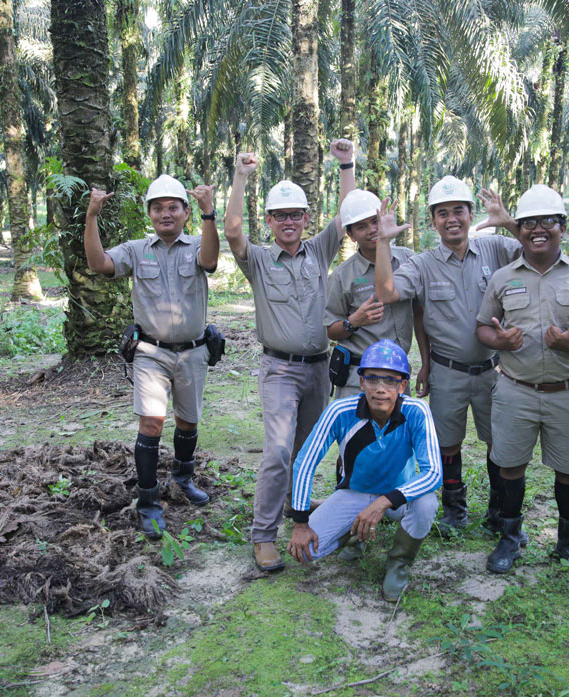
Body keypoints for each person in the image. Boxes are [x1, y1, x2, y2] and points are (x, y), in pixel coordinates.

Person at [223, 139, 356, 572]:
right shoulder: (260, 260)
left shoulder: (319, 250)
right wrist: (241, 176)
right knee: (278, 451)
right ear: (270, 220)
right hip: (279, 369)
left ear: (305, 218)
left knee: (305, 451)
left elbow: (346, 214)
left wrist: (346, 165)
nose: (288, 222)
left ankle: (295, 506)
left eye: (295, 214)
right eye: (280, 215)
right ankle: (263, 535)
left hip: (320, 369)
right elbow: (232, 233)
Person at [373, 177, 522, 538]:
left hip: (493, 370)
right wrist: (382, 241)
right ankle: (455, 507)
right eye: (443, 213)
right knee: (446, 443)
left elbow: (540, 253)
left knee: (498, 444)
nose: (452, 219)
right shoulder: (423, 265)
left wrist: (510, 223)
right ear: (432, 221)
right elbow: (387, 291)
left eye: (459, 211)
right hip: (447, 372)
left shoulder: (497, 249)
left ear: (471, 215)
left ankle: (499, 510)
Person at [475, 185, 569, 574]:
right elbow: (482, 328)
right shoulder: (502, 277)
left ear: (563, 226)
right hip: (515, 390)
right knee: (511, 466)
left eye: (548, 220)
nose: (538, 229)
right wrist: (500, 339)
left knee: (568, 470)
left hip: (566, 392)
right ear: (520, 229)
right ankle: (510, 537)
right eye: (528, 222)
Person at [84, 174, 219, 539]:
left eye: (172, 207)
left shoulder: (197, 244)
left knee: (188, 422)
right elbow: (99, 264)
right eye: (157, 208)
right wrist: (92, 215)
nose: (165, 214)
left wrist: (211, 215)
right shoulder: (136, 249)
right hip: (150, 353)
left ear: (185, 212)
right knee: (151, 424)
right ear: (149, 214)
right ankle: (148, 503)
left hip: (192, 352)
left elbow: (210, 261)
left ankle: (183, 479)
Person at [286, 340, 441, 602]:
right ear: (361, 383)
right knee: (307, 551)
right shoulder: (340, 410)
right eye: (373, 379)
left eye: (390, 381)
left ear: (402, 385)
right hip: (355, 492)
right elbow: (305, 463)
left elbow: (433, 473)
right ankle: (354, 534)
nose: (380, 389)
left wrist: (383, 502)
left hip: (397, 496)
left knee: (426, 504)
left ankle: (398, 563)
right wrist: (300, 523)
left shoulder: (416, 412)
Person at [324, 189, 425, 401]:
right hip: (357, 375)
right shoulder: (343, 276)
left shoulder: (407, 260)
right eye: (361, 226)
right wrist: (354, 321)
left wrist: (427, 362)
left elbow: (419, 314)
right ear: (350, 235)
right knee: (355, 433)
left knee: (396, 433)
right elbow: (330, 330)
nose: (372, 230)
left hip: (397, 373)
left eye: (374, 221)